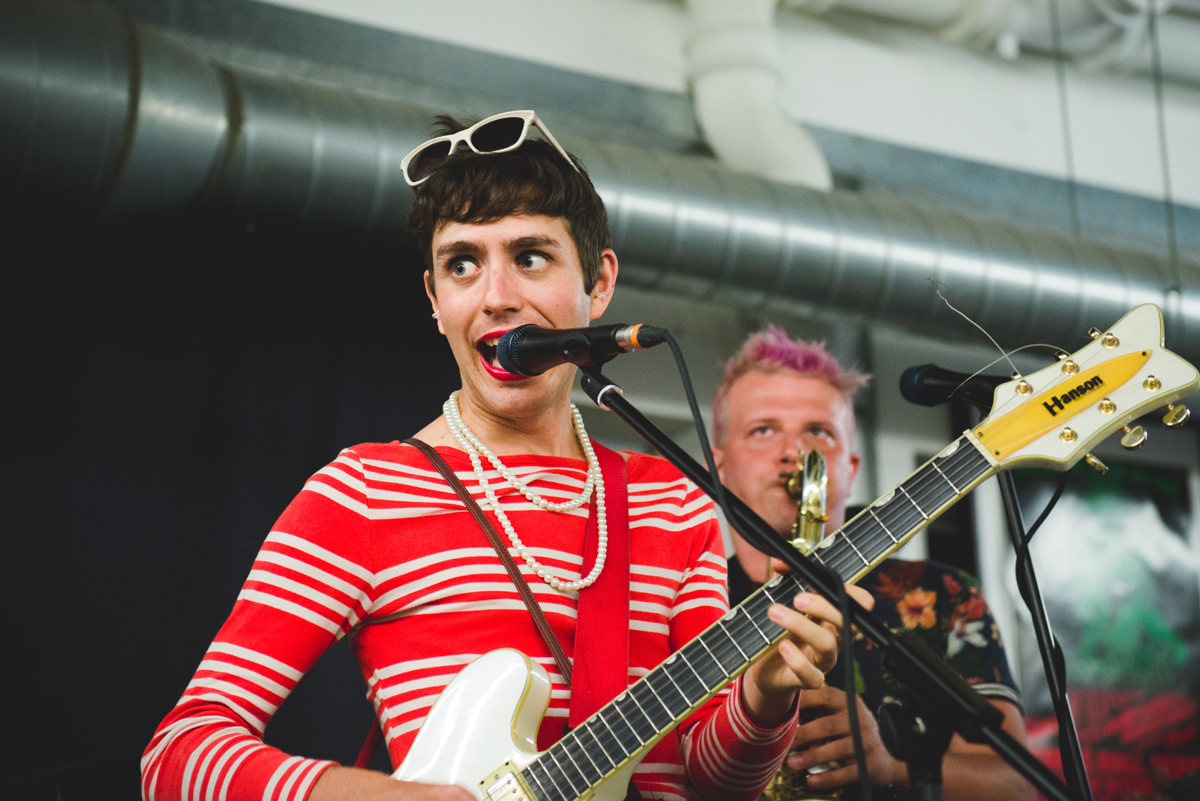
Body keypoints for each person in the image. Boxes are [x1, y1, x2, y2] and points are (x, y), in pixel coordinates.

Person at [141, 111, 872, 801]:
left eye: (529, 257)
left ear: (599, 282)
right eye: (462, 264)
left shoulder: (671, 499)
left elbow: (712, 781)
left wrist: (764, 694)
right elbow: (179, 754)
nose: (496, 297)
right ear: (435, 300)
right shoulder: (363, 493)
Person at [712, 326, 1036, 801]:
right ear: (718, 467)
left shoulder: (944, 594)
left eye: (818, 432)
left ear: (850, 469)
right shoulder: (686, 597)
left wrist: (893, 762)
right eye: (764, 430)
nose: (794, 453)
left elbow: (1017, 786)